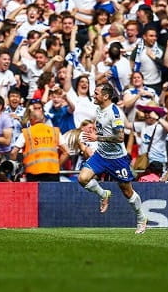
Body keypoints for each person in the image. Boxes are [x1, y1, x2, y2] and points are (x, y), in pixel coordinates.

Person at [78, 83, 149, 234]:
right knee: (83, 178)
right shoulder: (98, 109)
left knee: (127, 191)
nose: (93, 95)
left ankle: (141, 218)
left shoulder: (115, 113)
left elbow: (120, 137)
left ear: (105, 96)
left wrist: (98, 137)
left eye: (96, 93)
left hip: (117, 158)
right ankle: (104, 194)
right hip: (101, 155)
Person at [11, 99, 68, 181]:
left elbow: (13, 152)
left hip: (32, 173)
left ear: (30, 120)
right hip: (52, 172)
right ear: (44, 119)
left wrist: (15, 169)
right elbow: (66, 152)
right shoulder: (55, 132)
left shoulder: (26, 133)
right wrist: (57, 166)